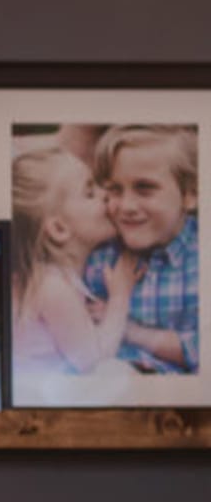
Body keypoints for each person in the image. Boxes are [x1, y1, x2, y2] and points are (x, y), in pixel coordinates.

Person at [9, 145, 139, 403]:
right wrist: (120, 298)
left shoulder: (50, 279)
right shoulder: (51, 286)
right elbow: (93, 360)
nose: (106, 195)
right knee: (119, 373)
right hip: (39, 402)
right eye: (90, 193)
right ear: (59, 228)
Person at [84, 123, 199, 375]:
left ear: (190, 194)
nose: (126, 206)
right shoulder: (100, 256)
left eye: (144, 189)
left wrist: (129, 330)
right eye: (115, 189)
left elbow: (198, 350)